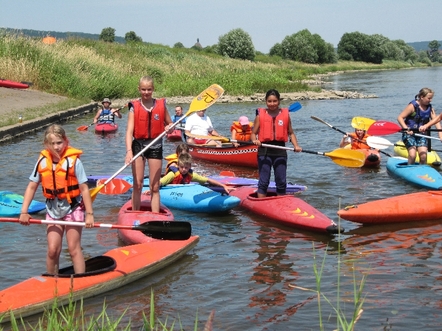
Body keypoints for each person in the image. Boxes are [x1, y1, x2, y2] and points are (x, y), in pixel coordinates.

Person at [18, 124, 94, 275]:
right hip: (53, 209)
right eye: (52, 143)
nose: (56, 147)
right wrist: (24, 211)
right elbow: (31, 187)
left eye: (59, 142)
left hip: (73, 207)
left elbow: (84, 188)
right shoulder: (42, 162)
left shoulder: (74, 162)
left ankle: (80, 283)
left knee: (73, 249)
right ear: (46, 144)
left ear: (66, 141)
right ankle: (53, 283)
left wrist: (90, 214)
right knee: (53, 250)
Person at [125, 76, 173, 212]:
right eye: (143, 89)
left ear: (153, 89)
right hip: (138, 146)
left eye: (149, 89)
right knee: (138, 184)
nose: (146, 92)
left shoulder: (161, 106)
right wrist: (129, 152)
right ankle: (134, 213)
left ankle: (155, 216)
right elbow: (129, 132)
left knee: (155, 186)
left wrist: (170, 127)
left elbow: (170, 124)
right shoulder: (134, 108)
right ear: (139, 89)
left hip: (155, 145)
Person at [250, 89, 302, 198]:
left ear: (279, 101)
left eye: (274, 101)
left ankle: (281, 204)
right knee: (264, 181)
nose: (272, 104)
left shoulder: (285, 115)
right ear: (266, 102)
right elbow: (253, 133)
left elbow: (291, 133)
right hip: (264, 151)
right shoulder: (260, 116)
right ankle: (261, 205)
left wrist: (296, 146)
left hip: (280, 151)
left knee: (281, 181)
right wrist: (255, 140)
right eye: (269, 101)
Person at [398, 87, 442, 165]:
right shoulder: (413, 106)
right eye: (429, 98)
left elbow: (436, 121)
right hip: (409, 134)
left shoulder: (430, 108)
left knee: (423, 156)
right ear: (422, 97)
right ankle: (410, 169)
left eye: (431, 98)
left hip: (422, 134)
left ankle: (422, 172)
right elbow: (400, 117)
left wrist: (440, 135)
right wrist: (406, 129)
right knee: (412, 155)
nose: (430, 100)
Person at [152, 153, 235, 195]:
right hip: (170, 191)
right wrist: (152, 190)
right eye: (181, 167)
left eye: (186, 167)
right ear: (178, 166)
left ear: (190, 166)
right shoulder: (173, 174)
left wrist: (224, 186)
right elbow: (160, 182)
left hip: (183, 192)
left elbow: (207, 180)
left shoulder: (191, 175)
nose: (184, 170)